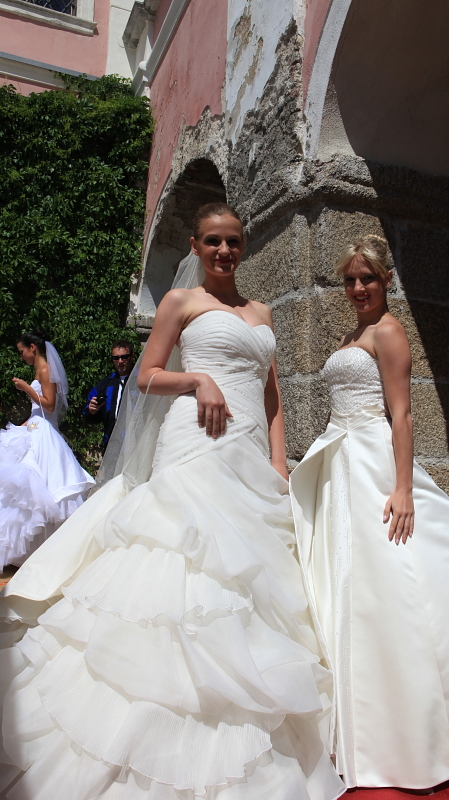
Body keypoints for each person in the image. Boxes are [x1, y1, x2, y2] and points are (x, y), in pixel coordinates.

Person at [0, 205, 345, 800]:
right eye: (213, 241)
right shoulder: (181, 303)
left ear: (243, 246)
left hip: (249, 453)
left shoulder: (262, 312)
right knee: (181, 566)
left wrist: (278, 459)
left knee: (252, 578)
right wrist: (197, 380)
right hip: (195, 443)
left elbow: (272, 394)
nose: (224, 251)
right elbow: (146, 376)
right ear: (195, 244)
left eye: (233, 241)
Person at [290, 234, 449, 791]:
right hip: (340, 463)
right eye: (350, 279)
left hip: (373, 462)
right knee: (351, 583)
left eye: (367, 279)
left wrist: (403, 488)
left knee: (400, 576)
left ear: (386, 280)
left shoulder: (390, 330)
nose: (358, 288)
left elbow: (401, 415)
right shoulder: (351, 335)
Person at [0, 329, 94, 570]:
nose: (21, 356)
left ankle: (48, 548)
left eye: (22, 351)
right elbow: (38, 411)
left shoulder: (45, 370)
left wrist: (26, 388)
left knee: (40, 485)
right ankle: (27, 550)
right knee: (25, 488)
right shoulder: (40, 370)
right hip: (35, 427)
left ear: (32, 348)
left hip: (44, 433)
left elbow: (50, 406)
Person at [82, 340, 135, 451]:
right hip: (112, 442)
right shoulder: (106, 384)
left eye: (124, 357)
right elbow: (90, 414)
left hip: (137, 441)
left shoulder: (141, 380)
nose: (120, 361)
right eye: (116, 358)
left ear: (132, 357)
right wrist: (92, 411)